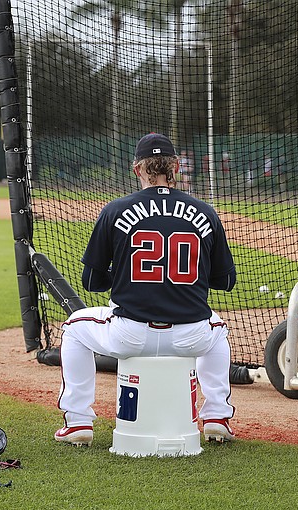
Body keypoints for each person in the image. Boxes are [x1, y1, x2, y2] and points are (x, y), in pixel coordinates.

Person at [54, 133, 237, 447]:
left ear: (137, 169)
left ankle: (78, 422)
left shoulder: (115, 210)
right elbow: (226, 281)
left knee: (73, 329)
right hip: (189, 337)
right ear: (176, 167)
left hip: (130, 335)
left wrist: (129, 277)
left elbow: (91, 282)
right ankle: (217, 416)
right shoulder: (205, 212)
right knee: (218, 329)